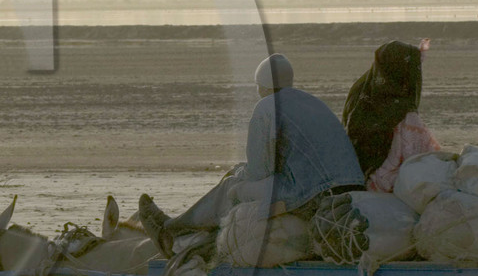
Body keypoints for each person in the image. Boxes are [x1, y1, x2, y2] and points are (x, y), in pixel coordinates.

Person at [138, 54, 364, 257]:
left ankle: (172, 231)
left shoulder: (266, 107)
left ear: (262, 86)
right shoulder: (311, 102)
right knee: (239, 181)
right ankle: (194, 237)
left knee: (231, 187)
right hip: (348, 189)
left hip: (312, 195)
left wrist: (238, 174)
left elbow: (259, 172)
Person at [342, 40, 441, 193]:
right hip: (383, 184)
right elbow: (422, 157)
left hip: (354, 174)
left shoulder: (362, 90)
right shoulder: (402, 110)